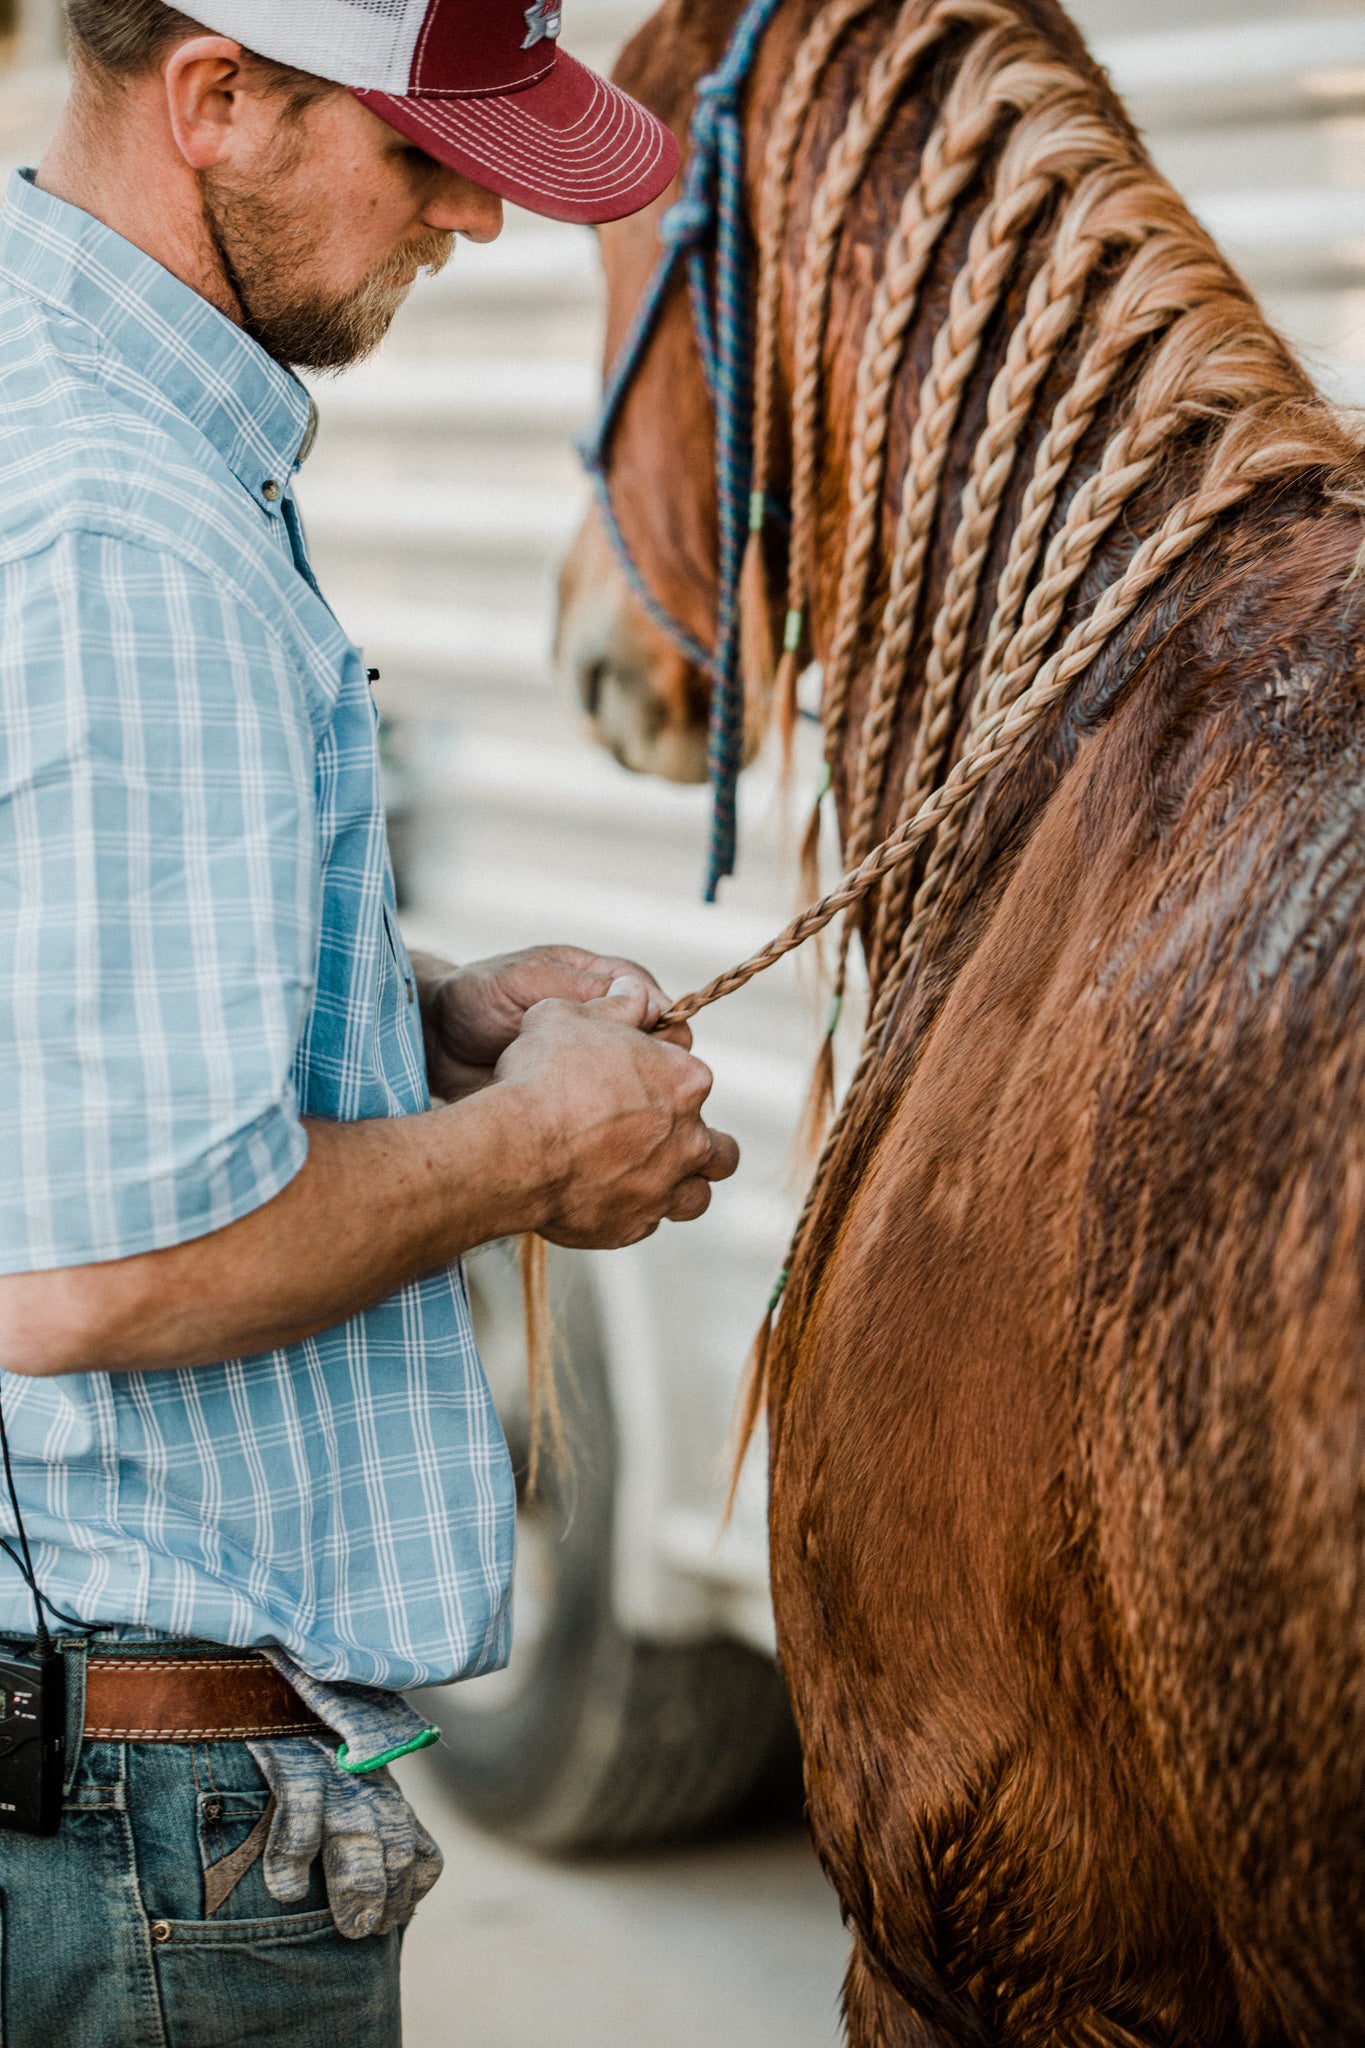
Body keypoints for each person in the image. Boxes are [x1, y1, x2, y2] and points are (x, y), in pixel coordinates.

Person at [0, 4, 733, 2042]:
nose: (481, 221)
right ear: (217, 100)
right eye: (424, 155)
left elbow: (44, 999)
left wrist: (411, 1017)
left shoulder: (51, 416)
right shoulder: (118, 528)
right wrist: (536, 1146)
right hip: (136, 1835)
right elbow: (88, 1264)